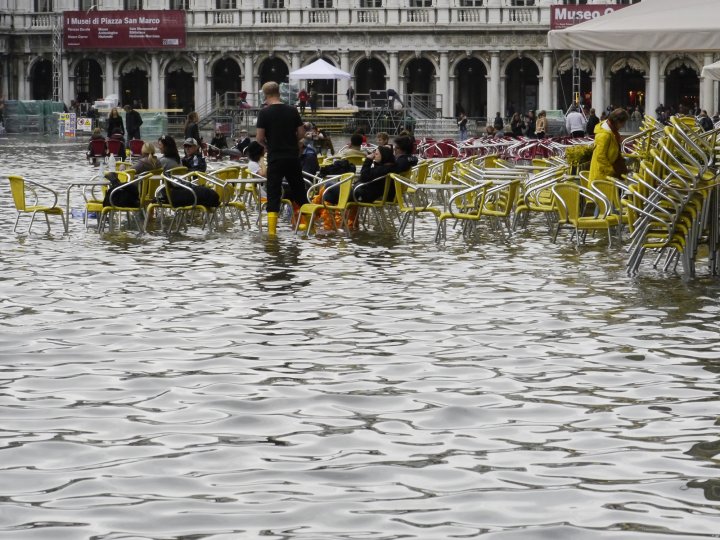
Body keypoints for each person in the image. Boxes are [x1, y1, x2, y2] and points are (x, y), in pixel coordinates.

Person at [255, 80, 309, 235]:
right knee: (299, 192)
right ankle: (310, 225)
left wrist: (268, 145)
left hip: (275, 158)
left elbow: (259, 138)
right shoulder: (292, 110)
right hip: (292, 157)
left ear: (265, 95)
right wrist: (291, 141)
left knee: (273, 194)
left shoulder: (264, 113)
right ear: (279, 92)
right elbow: (301, 133)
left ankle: (272, 234)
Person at [588, 107, 629, 183]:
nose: (623, 126)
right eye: (623, 123)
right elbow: (600, 157)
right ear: (617, 121)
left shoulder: (611, 131)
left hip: (605, 175)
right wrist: (611, 171)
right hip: (602, 177)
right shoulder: (605, 135)